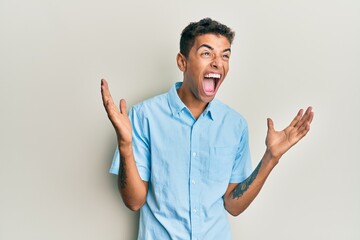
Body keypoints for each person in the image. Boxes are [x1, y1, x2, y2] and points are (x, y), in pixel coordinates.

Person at [101, 18, 314, 240]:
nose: (217, 63)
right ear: (182, 62)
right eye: (206, 53)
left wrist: (271, 157)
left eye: (225, 55)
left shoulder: (235, 125)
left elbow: (233, 205)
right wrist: (125, 145)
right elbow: (134, 201)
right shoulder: (145, 116)